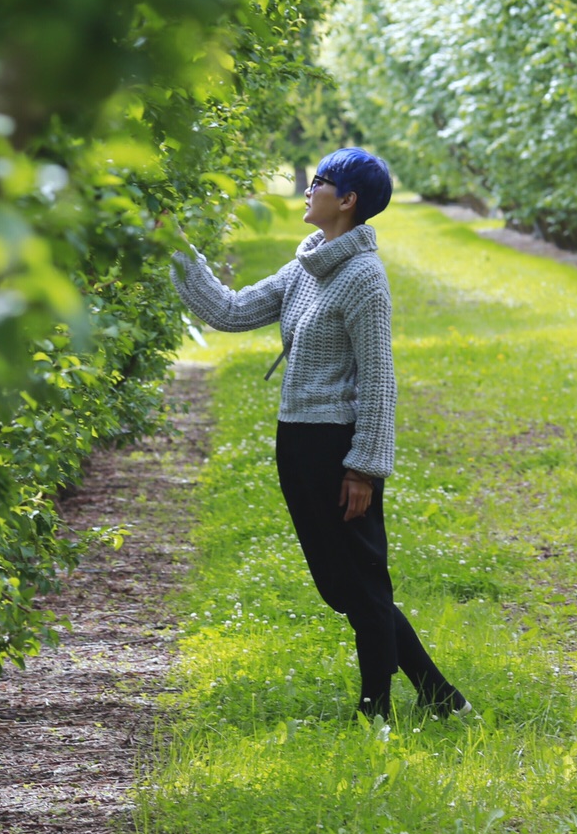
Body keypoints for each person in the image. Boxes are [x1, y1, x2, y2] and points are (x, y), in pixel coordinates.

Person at [170, 147, 470, 723]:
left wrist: (364, 468)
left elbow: (380, 381)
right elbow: (231, 311)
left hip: (338, 450)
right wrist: (175, 249)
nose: (309, 189)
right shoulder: (310, 260)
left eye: (319, 182)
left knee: (362, 585)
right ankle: (439, 696)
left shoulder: (363, 279)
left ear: (348, 200)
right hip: (298, 443)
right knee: (342, 586)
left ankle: (375, 712)